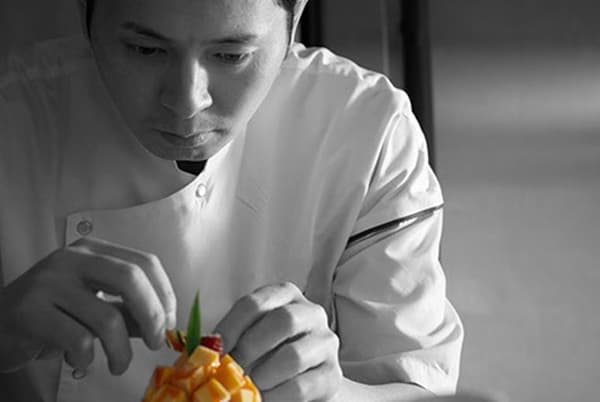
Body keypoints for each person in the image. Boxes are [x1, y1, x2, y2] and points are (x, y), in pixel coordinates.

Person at [0, 0, 464, 401]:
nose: (187, 102)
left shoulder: (364, 130)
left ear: (296, 17)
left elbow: (420, 385)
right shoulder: (12, 115)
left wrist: (334, 392)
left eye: (231, 55)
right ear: (84, 12)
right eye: (145, 49)